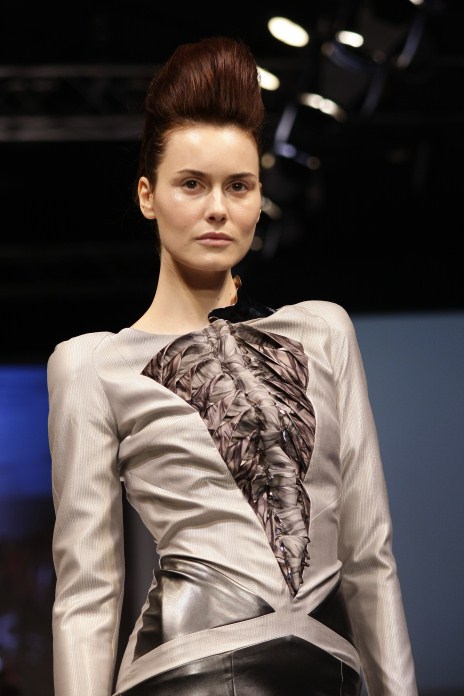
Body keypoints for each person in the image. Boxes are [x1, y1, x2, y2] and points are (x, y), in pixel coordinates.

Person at [47, 35, 418, 696]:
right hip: (189, 668)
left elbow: (370, 554)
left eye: (238, 186)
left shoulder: (323, 330)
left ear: (257, 195)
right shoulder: (95, 365)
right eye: (191, 184)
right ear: (147, 196)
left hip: (330, 669)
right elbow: (89, 592)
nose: (217, 207)